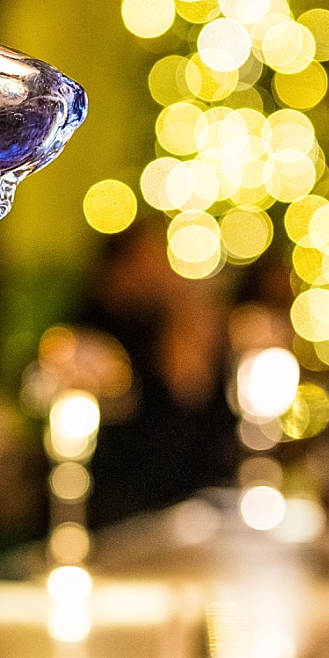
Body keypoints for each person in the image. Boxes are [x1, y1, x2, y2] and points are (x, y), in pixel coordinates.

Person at [77, 218, 236, 527]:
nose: (161, 271)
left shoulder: (166, 327)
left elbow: (213, 438)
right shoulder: (99, 336)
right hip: (120, 513)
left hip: (189, 511)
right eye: (149, 260)